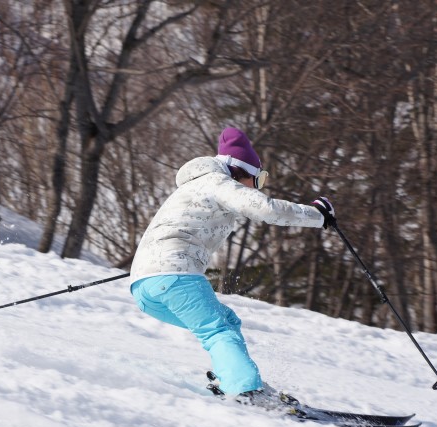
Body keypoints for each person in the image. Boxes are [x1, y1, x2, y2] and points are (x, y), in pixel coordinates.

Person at [129, 127, 335, 404]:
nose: (258, 186)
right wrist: (317, 215)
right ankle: (245, 390)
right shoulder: (217, 182)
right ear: (240, 170)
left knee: (226, 322)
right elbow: (267, 209)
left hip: (146, 287)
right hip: (174, 276)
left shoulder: (195, 186)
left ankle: (233, 381)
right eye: (258, 179)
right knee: (218, 330)